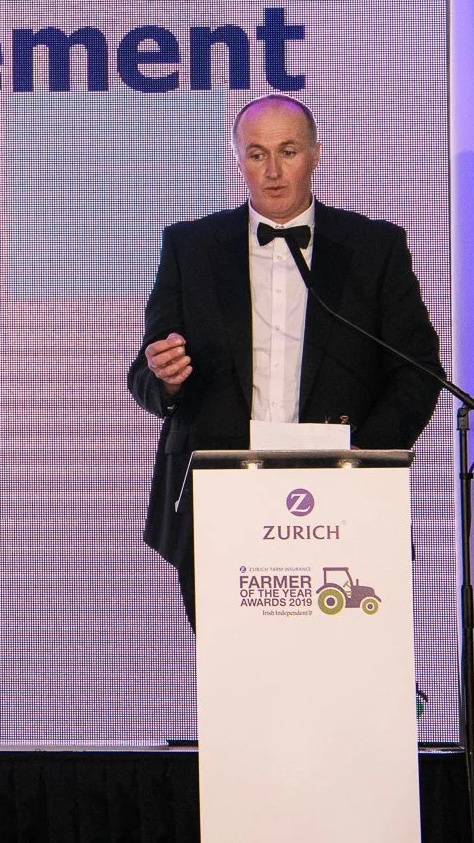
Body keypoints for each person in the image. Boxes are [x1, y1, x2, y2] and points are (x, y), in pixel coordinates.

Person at [127, 95, 441, 624]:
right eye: (256, 154)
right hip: (220, 500)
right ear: (237, 159)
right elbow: (148, 374)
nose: (272, 172)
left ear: (316, 154)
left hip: (340, 502)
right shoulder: (190, 246)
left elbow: (417, 372)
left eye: (288, 151)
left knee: (334, 678)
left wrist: (362, 458)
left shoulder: (373, 247)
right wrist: (166, 380)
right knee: (238, 684)